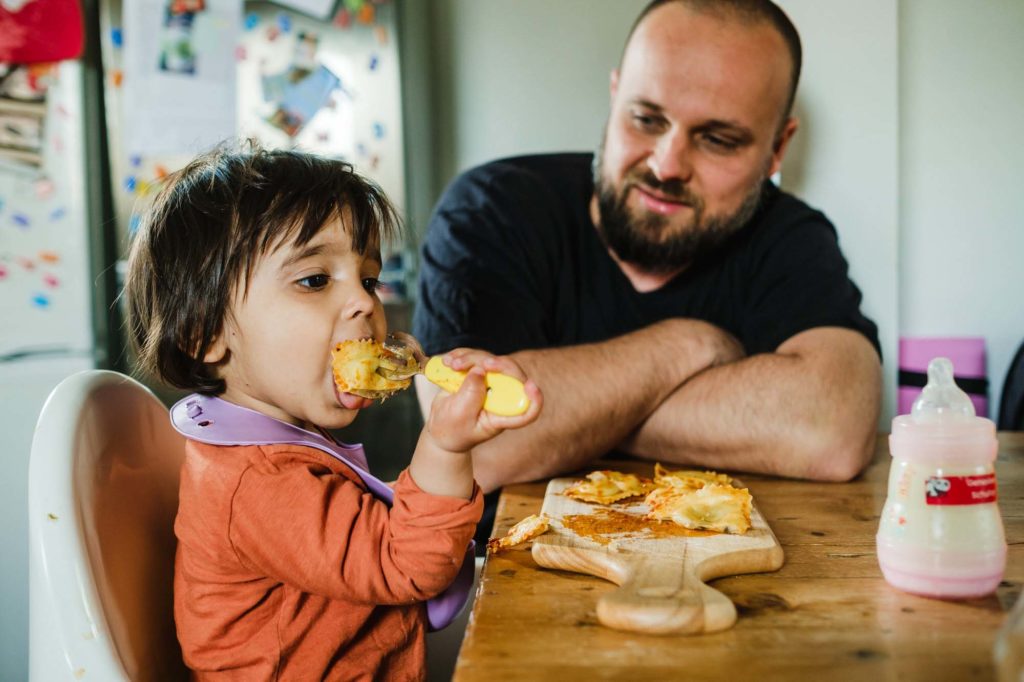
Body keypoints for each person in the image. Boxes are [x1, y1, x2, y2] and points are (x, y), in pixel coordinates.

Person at [414, 0, 882, 506]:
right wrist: (688, 346)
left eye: (718, 140)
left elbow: (833, 429)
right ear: (615, 97)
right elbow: (477, 446)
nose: (667, 165)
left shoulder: (790, 235)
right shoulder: (491, 208)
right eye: (646, 119)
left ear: (776, 148)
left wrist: (578, 417)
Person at [123, 145, 541, 679]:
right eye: (315, 280)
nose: (367, 303)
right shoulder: (259, 481)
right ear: (204, 334)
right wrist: (446, 445)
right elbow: (405, 564)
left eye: (368, 278)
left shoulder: (274, 447)